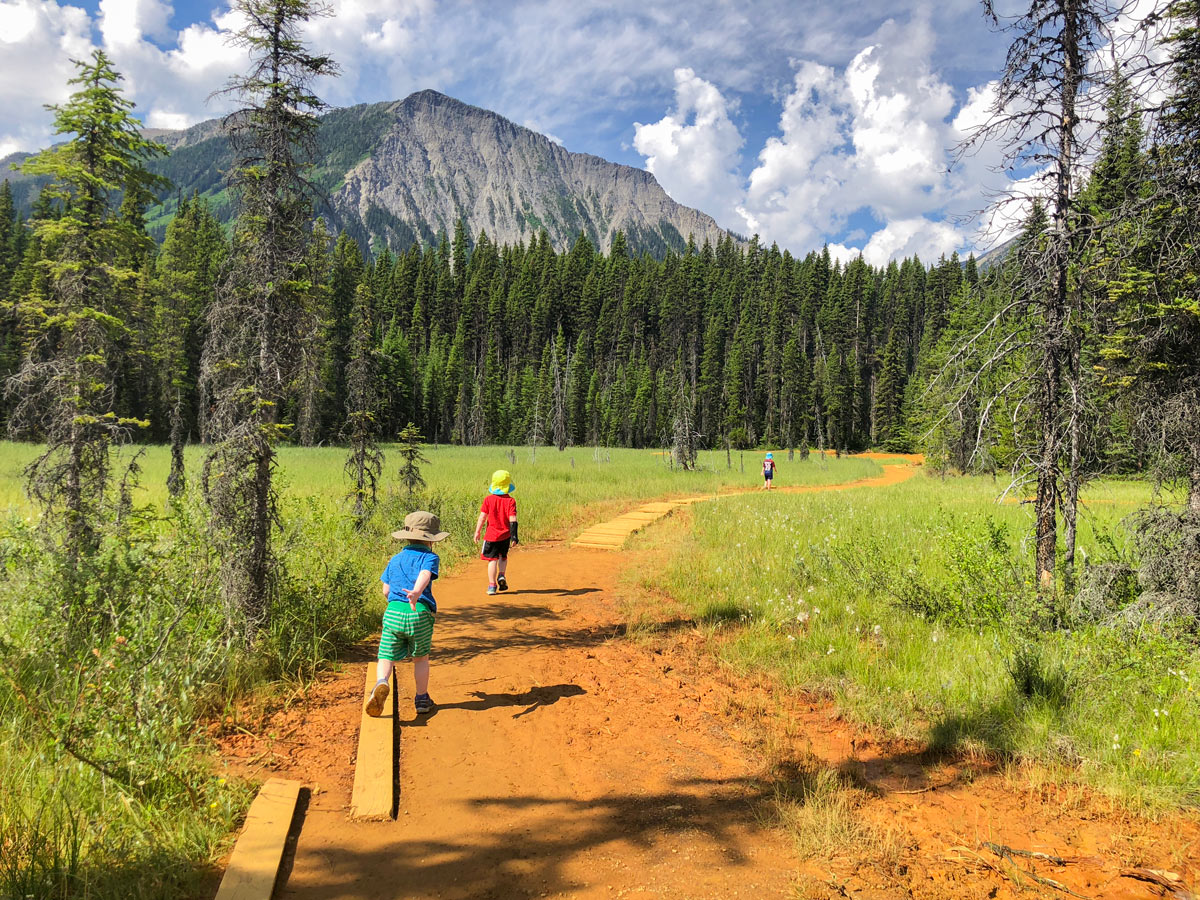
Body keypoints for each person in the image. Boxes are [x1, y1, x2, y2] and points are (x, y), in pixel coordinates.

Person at [367, 510, 449, 717]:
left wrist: (396, 601)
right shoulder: (430, 556)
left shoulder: (395, 559)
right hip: (419, 613)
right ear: (431, 540)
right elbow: (425, 574)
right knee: (420, 658)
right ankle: (422, 699)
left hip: (393, 612)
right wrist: (416, 592)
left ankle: (381, 682)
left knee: (386, 656)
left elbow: (386, 590)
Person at [473, 468, 518, 595]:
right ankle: (502, 575)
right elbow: (513, 519)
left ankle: (492, 586)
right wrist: (514, 536)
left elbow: (482, 517)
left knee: (492, 560)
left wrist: (477, 532)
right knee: (503, 557)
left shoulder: (488, 500)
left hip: (491, 536)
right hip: (505, 535)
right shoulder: (511, 501)